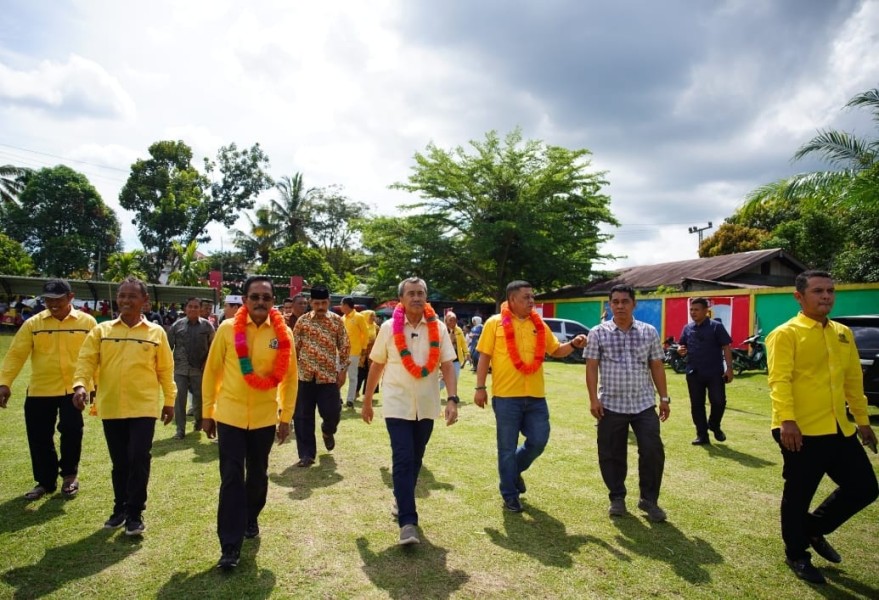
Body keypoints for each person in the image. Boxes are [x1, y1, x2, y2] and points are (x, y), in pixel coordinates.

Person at [766, 270, 878, 584]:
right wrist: (787, 420)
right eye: (818, 291)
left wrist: (863, 421)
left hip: (839, 428)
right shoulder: (785, 334)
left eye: (830, 290)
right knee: (799, 494)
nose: (826, 296)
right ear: (799, 297)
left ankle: (812, 529)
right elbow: (779, 380)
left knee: (865, 488)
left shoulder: (842, 333)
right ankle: (797, 553)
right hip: (799, 430)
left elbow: (854, 381)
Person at [202, 276, 298, 570]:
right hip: (229, 416)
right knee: (231, 477)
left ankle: (251, 516)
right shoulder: (228, 329)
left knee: (257, 475)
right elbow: (212, 371)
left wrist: (286, 417)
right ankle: (229, 546)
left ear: (273, 302)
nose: (260, 302)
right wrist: (207, 411)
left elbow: (290, 378)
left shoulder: (283, 335)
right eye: (254, 297)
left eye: (266, 298)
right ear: (244, 300)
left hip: (264, 418)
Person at [72, 276, 176, 536]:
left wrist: (170, 401)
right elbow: (86, 361)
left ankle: (135, 513)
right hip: (112, 405)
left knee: (139, 458)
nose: (126, 300)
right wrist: (80, 386)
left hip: (144, 407)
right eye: (122, 295)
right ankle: (119, 508)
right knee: (120, 462)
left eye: (132, 296)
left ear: (145, 302)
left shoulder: (156, 332)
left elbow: (165, 369)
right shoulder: (101, 330)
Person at [474, 281, 586, 513]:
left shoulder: (539, 324)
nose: (532, 301)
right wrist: (480, 387)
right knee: (506, 447)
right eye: (526, 297)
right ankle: (509, 494)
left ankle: (513, 472)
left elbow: (555, 350)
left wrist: (573, 344)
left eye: (532, 297)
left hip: (535, 397)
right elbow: (484, 356)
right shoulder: (494, 324)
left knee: (538, 440)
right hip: (506, 397)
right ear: (512, 299)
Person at [362, 277, 459, 544]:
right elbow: (376, 365)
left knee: (416, 458)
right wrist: (368, 400)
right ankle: (408, 521)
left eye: (421, 293)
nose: (416, 298)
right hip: (397, 403)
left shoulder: (438, 328)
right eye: (411, 293)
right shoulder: (388, 328)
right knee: (403, 457)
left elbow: (448, 365)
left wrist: (452, 398)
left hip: (427, 404)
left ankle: (400, 497)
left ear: (426, 298)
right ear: (401, 299)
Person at [0, 279, 97, 500]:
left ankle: (70, 476)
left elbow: (96, 356)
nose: (53, 305)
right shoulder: (33, 324)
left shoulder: (87, 322)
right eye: (48, 300)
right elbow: (16, 354)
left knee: (72, 431)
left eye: (58, 300)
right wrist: (4, 383)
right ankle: (45, 481)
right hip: (40, 389)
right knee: (39, 436)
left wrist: (96, 385)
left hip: (74, 389)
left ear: (70, 297)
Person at [584, 284, 670, 522]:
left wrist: (663, 398)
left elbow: (657, 366)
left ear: (634, 304)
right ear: (610, 305)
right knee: (611, 453)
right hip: (610, 404)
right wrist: (593, 399)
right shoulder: (598, 333)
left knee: (653, 451)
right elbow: (591, 368)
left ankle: (649, 500)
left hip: (643, 404)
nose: (620, 306)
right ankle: (617, 498)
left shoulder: (649, 332)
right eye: (615, 302)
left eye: (625, 301)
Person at [291, 285, 349, 468]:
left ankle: (327, 430)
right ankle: (307, 455)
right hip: (305, 376)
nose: (321, 306)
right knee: (302, 417)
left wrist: (343, 370)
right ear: (311, 303)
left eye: (324, 303)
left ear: (329, 302)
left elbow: (345, 347)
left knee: (332, 412)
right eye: (317, 303)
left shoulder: (337, 321)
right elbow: (294, 348)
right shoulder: (302, 322)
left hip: (328, 377)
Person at [677, 297, 734, 445]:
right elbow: (681, 346)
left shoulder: (716, 327)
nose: (693, 312)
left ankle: (714, 425)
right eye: (691, 309)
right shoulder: (687, 328)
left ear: (706, 311)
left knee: (719, 401)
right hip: (694, 373)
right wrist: (680, 350)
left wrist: (729, 368)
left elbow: (726, 347)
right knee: (697, 405)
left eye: (696, 309)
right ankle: (702, 435)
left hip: (715, 372)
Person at [167, 297, 215, 439]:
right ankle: (180, 430)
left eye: (196, 307)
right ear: (185, 308)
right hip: (180, 369)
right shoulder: (176, 326)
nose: (193, 309)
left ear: (200, 309)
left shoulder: (207, 326)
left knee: (199, 399)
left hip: (199, 370)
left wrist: (207, 362)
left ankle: (198, 423)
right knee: (179, 400)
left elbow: (213, 347)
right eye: (190, 306)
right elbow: (168, 347)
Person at [340, 296, 369, 408]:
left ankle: (350, 399)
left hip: (354, 352)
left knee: (352, 377)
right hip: (342, 352)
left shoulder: (359, 317)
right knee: (339, 376)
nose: (341, 307)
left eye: (342, 304)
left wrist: (363, 348)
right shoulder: (342, 318)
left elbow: (365, 333)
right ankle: (338, 398)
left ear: (346, 305)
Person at [439, 311, 469, 400]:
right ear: (446, 321)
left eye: (455, 320)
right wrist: (451, 340)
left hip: (456, 359)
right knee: (443, 379)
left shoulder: (459, 330)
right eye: (451, 320)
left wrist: (467, 353)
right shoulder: (442, 330)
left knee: (455, 377)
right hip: (444, 359)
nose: (453, 322)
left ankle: (453, 395)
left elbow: (463, 342)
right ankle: (435, 392)